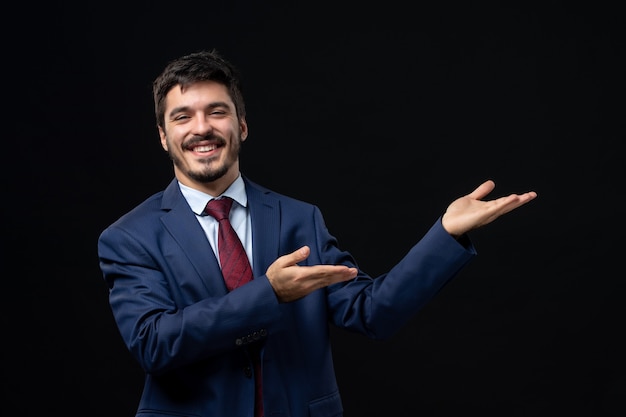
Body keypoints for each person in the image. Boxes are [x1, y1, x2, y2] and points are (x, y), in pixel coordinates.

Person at [97, 49, 537, 417]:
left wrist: (445, 233)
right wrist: (269, 293)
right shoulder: (129, 237)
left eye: (217, 111)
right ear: (162, 136)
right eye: (182, 117)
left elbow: (372, 312)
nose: (202, 128)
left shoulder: (299, 218)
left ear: (242, 126)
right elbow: (154, 345)